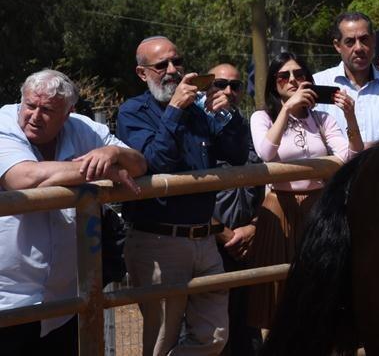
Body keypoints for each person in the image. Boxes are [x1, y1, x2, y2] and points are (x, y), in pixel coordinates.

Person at [116, 36, 249, 356]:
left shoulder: (198, 111)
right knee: (161, 340)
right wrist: (174, 109)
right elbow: (156, 161)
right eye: (162, 65)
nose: (173, 71)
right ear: (142, 73)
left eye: (177, 63)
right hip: (158, 242)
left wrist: (228, 115)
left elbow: (237, 154)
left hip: (205, 239)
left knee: (214, 336)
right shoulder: (132, 112)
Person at [0, 70, 146, 355]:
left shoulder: (83, 128)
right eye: (30, 105)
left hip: (63, 302)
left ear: (67, 113)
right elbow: (24, 178)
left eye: (47, 110)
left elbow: (139, 163)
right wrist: (99, 170)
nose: (33, 115)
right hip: (8, 300)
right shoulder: (4, 124)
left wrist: (113, 155)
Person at [247, 52, 361, 330]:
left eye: (299, 75)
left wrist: (350, 116)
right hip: (280, 209)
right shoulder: (262, 117)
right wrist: (287, 109)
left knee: (321, 281)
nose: (292, 80)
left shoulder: (322, 119)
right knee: (278, 289)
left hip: (318, 207)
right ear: (274, 84)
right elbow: (266, 153)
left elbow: (351, 155)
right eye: (283, 76)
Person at [200, 64, 264, 356]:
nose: (228, 91)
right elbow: (188, 191)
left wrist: (252, 227)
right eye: (221, 84)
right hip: (209, 246)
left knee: (248, 331)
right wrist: (223, 233)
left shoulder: (249, 128)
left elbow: (266, 183)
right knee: (213, 333)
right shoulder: (194, 128)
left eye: (235, 86)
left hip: (249, 245)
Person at [313, 12, 379, 145]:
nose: (359, 48)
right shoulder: (319, 83)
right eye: (350, 41)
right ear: (337, 46)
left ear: (373, 40)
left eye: (364, 39)